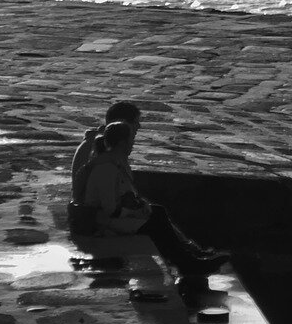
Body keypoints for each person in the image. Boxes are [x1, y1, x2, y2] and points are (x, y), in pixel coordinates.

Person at [68, 98, 222, 284]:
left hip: (102, 211)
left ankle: (188, 257)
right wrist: (133, 211)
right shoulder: (103, 161)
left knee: (156, 212)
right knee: (155, 220)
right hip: (97, 218)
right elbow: (106, 204)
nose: (138, 128)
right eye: (135, 125)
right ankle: (188, 262)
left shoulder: (107, 152)